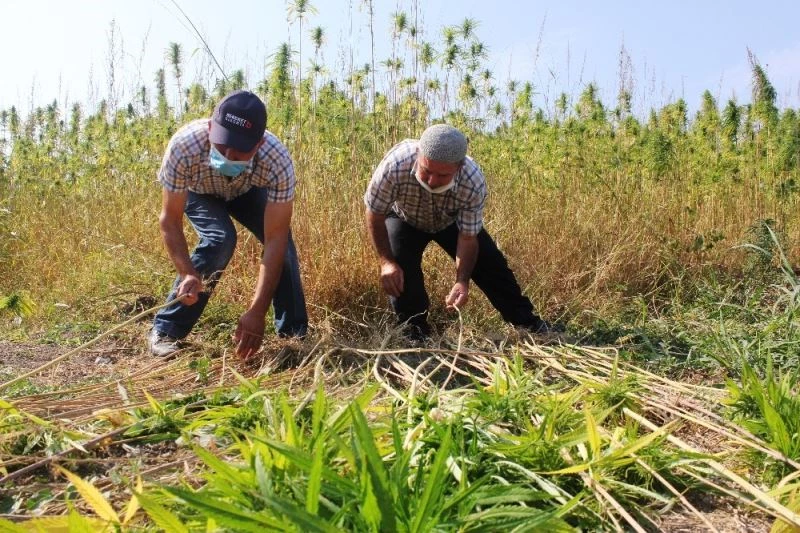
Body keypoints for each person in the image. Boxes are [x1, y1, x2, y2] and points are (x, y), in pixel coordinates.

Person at [148, 90, 308, 358]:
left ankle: (293, 339)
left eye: (240, 151)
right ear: (211, 128)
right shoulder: (184, 146)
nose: (229, 156)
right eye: (222, 146)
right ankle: (166, 330)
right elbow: (170, 220)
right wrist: (188, 272)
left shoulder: (277, 161)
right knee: (220, 239)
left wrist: (257, 311)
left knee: (286, 251)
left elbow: (275, 239)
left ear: (258, 145)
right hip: (200, 191)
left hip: (246, 191)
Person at [364, 123, 554, 339]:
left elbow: (467, 237)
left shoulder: (472, 181)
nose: (432, 181)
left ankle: (529, 325)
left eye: (443, 175)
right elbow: (375, 213)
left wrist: (462, 280)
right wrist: (386, 262)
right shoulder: (395, 165)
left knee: (491, 265)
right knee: (400, 268)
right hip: (404, 218)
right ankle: (414, 333)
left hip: (450, 221)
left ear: (459, 166)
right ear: (419, 155)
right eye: (426, 171)